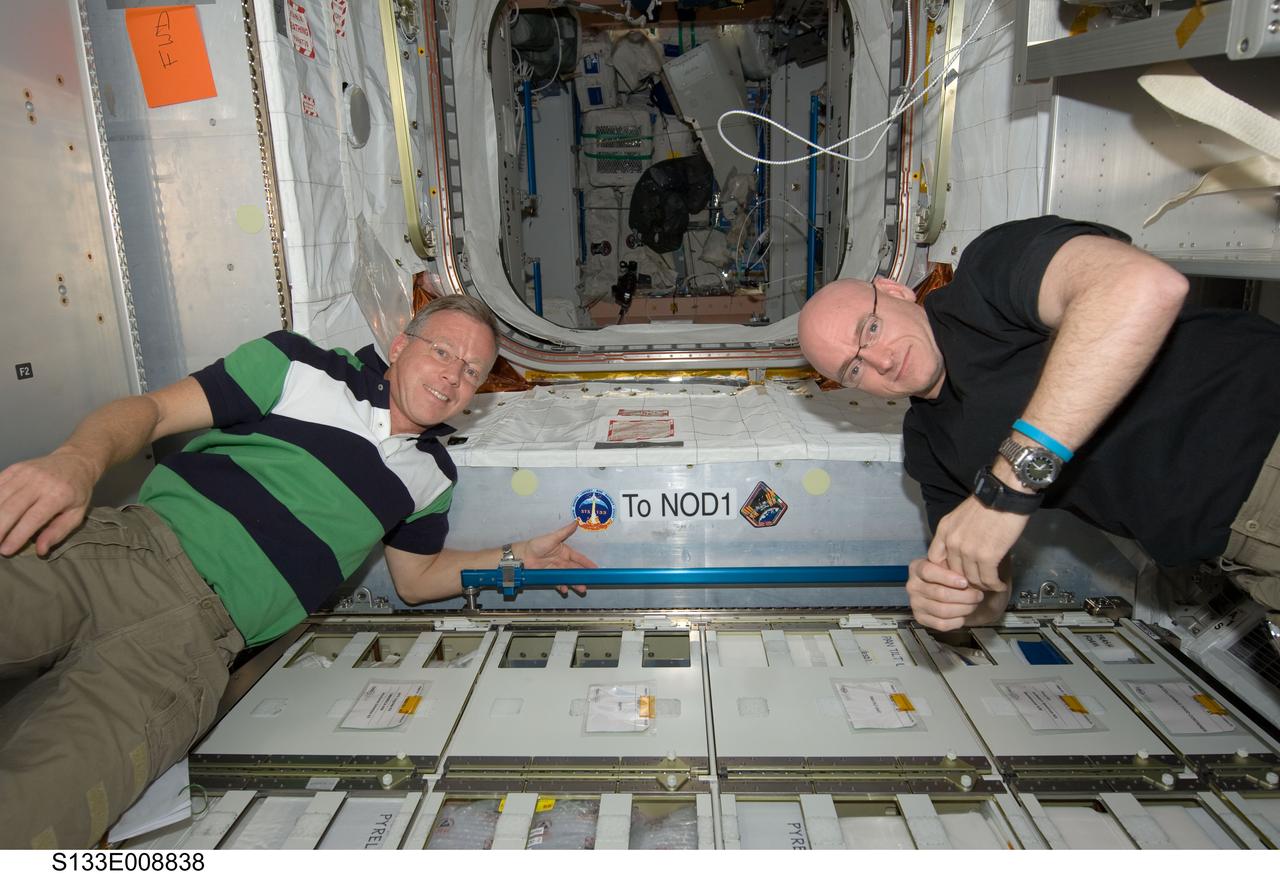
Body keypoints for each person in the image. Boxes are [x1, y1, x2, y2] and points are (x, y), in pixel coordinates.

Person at [0, 295, 595, 848]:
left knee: (34, 822)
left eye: (470, 371)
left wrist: (516, 557)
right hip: (119, 557)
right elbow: (152, 412)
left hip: (185, 660)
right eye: (442, 351)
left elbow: (417, 582)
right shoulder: (298, 365)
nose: (451, 376)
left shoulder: (432, 479)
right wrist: (75, 461)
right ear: (399, 346)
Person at [798, 215, 1280, 632]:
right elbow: (990, 592)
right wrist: (955, 601)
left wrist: (1005, 489)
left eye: (871, 330)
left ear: (895, 290)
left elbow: (1140, 285)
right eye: (853, 370)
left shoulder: (989, 278)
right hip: (1240, 553)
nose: (879, 361)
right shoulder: (928, 448)